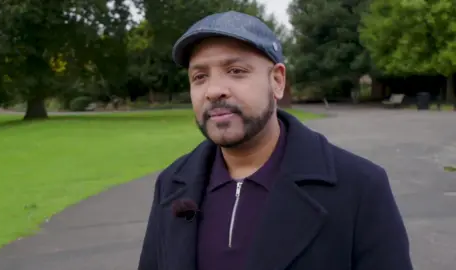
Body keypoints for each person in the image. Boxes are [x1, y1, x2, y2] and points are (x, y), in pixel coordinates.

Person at [138, 11, 413, 270]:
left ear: (277, 81)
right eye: (200, 77)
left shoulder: (360, 186)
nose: (214, 90)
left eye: (236, 71)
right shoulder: (172, 183)